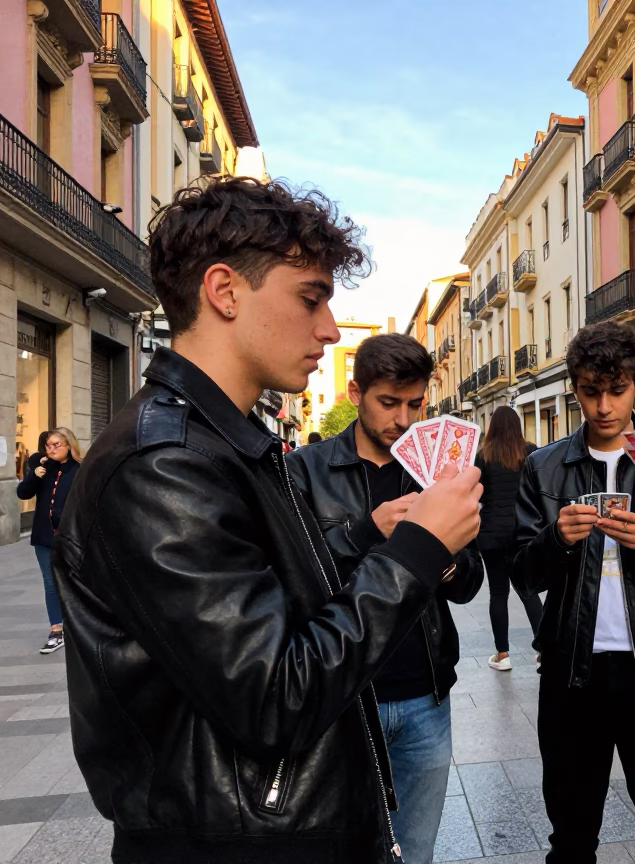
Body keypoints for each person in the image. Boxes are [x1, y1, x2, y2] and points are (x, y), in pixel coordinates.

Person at [53, 177, 483, 864]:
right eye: (310, 298)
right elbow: (276, 695)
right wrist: (417, 549)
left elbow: (283, 611)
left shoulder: (227, 443)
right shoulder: (163, 465)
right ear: (225, 291)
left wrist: (382, 539)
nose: (331, 329)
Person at [514, 320, 635, 864]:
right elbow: (524, 576)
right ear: (574, 388)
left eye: (616, 389)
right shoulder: (544, 466)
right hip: (571, 676)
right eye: (590, 391)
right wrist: (556, 540)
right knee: (571, 841)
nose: (603, 405)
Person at [287, 332, 484, 864]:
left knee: (415, 852)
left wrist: (439, 554)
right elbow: (295, 581)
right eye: (388, 402)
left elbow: (470, 581)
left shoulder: (436, 470)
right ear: (356, 394)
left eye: (415, 404)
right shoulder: (305, 469)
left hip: (426, 699)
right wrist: (365, 533)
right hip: (344, 703)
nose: (403, 420)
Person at [476, 405, 543, 670]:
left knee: (498, 594)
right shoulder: (530, 453)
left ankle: (502, 655)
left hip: (491, 534)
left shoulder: (483, 456)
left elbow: (478, 495)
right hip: (521, 534)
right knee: (528, 591)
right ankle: (544, 648)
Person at [17, 427, 83, 654]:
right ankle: (57, 630)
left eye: (57, 445)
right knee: (50, 582)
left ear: (69, 446)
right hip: (44, 537)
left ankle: (79, 626)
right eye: (48, 445)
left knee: (75, 580)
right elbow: (23, 493)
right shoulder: (42, 468)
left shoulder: (81, 470)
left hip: (72, 537)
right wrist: (34, 475)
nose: (51, 449)